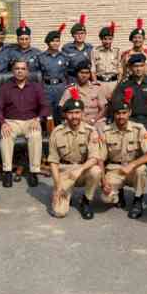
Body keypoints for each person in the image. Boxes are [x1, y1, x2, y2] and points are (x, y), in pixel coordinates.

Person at [0, 59, 50, 188]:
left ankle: (34, 172)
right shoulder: (5, 87)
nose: (20, 71)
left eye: (23, 69)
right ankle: (7, 171)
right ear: (13, 71)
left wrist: (39, 119)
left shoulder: (36, 87)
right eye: (17, 68)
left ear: (27, 71)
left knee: (36, 136)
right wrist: (2, 123)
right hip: (11, 122)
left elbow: (45, 106)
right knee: (6, 135)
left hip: (31, 121)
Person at [48, 91, 103, 219]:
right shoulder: (57, 132)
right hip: (65, 171)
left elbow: (95, 158)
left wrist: (80, 169)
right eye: (70, 113)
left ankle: (86, 201)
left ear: (82, 114)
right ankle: (67, 195)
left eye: (77, 112)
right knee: (59, 212)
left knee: (96, 171)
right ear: (65, 115)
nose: (74, 116)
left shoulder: (91, 131)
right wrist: (57, 185)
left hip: (83, 170)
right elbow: (53, 162)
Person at [100, 88, 147, 219]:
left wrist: (133, 164)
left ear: (129, 113)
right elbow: (100, 159)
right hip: (115, 169)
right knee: (106, 198)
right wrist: (103, 181)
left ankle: (137, 200)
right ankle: (119, 193)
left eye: (124, 113)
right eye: (118, 113)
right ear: (113, 114)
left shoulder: (139, 128)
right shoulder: (106, 131)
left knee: (141, 169)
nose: (121, 116)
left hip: (133, 168)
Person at [111, 53, 147, 136]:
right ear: (131, 68)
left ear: (145, 66)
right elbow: (117, 107)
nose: (139, 69)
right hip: (131, 122)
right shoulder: (123, 85)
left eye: (141, 66)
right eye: (136, 66)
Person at [59, 60, 107, 130]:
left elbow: (103, 109)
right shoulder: (71, 90)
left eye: (87, 73)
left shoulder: (97, 88)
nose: (84, 75)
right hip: (77, 121)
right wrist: (78, 119)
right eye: (81, 72)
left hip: (95, 121)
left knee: (102, 131)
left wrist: (93, 120)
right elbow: (62, 110)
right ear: (76, 73)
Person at [37, 24, 69, 124]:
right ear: (48, 42)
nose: (55, 43)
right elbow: (38, 75)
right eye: (53, 41)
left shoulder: (64, 57)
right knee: (47, 113)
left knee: (61, 111)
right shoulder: (41, 57)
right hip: (47, 88)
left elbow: (67, 73)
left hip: (61, 87)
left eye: (57, 41)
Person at [90, 21, 122, 98]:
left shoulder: (117, 51)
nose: (107, 41)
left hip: (114, 83)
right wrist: (95, 84)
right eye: (105, 39)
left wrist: (118, 86)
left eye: (110, 39)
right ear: (101, 39)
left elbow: (120, 70)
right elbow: (93, 70)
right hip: (100, 83)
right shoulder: (95, 51)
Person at [62, 14, 93, 83]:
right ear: (73, 35)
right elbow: (63, 67)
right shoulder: (67, 48)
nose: (80, 36)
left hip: (86, 79)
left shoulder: (90, 48)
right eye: (77, 34)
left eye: (82, 33)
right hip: (72, 79)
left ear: (85, 34)